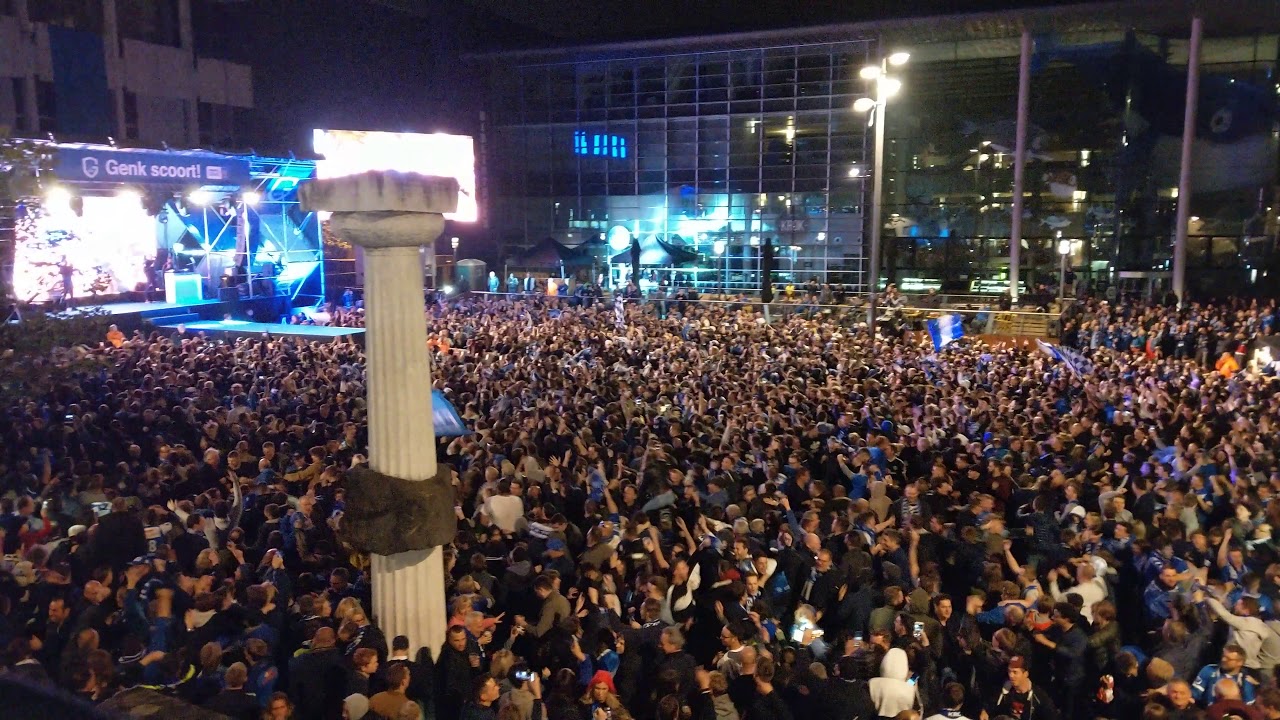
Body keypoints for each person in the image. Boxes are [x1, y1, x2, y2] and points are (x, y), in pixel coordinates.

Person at [989, 656, 1056, 720]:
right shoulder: (1003, 690)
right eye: (1009, 671)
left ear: (1025, 674)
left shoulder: (1039, 697)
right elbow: (991, 705)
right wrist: (985, 711)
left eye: (1015, 672)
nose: (1011, 675)